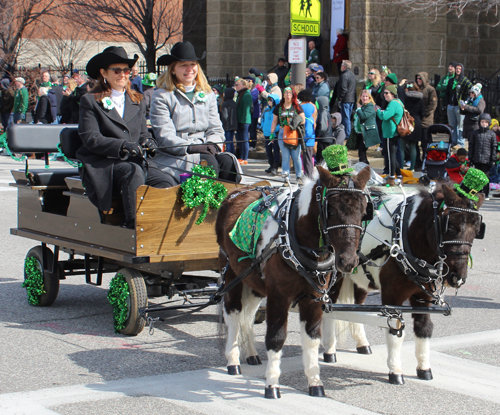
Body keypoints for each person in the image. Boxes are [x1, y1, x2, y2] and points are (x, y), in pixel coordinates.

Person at [78, 46, 175, 229]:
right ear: (104, 73)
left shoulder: (137, 100)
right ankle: (134, 227)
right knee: (133, 172)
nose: (122, 74)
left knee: (165, 180)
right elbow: (91, 139)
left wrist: (149, 142)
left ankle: (161, 228)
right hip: (105, 163)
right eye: (117, 70)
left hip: (134, 160)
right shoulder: (90, 101)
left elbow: (143, 134)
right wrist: (122, 145)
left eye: (126, 70)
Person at [150, 41, 240, 184]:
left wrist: (213, 144)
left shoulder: (208, 93)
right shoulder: (162, 95)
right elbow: (165, 136)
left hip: (205, 150)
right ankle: (204, 206)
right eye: (183, 65)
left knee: (228, 162)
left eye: (193, 64)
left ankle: (226, 205)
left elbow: (215, 128)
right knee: (207, 163)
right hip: (176, 156)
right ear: (173, 69)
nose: (189, 69)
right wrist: (192, 147)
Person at [270, 86, 305, 185]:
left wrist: (294, 121)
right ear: (283, 94)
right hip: (282, 132)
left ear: (293, 94)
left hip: (294, 133)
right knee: (285, 156)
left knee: (296, 156)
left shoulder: (297, 106)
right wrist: (272, 133)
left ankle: (299, 176)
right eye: (286, 93)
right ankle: (286, 178)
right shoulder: (278, 107)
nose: (288, 95)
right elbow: (274, 121)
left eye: (290, 93)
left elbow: (303, 120)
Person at [376, 84, 404, 185]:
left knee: (390, 155)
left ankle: (391, 178)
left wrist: (378, 111)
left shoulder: (393, 103)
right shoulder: (399, 102)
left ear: (392, 94)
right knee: (393, 155)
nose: (385, 95)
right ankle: (399, 176)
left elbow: (384, 116)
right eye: (384, 93)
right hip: (394, 132)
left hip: (390, 133)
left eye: (387, 93)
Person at [469, 113, 497, 199]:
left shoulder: (492, 134)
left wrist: (493, 159)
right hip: (477, 159)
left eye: (486, 122)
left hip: (487, 160)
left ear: (489, 123)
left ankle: (485, 193)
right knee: (476, 177)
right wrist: (470, 158)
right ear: (479, 122)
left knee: (485, 178)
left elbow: (494, 147)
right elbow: (471, 146)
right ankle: (475, 193)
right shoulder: (475, 133)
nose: (484, 124)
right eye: (482, 122)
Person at [446, 62, 473, 148]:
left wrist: (466, 102)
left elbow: (471, 90)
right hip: (451, 105)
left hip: (459, 106)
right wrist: (447, 103)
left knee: (460, 125)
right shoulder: (451, 80)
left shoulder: (464, 80)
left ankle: (460, 143)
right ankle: (453, 142)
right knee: (452, 126)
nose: (458, 70)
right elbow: (447, 92)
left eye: (460, 69)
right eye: (457, 68)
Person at [415, 71, 437, 169]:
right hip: (417, 120)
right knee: (414, 142)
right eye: (417, 78)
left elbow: (433, 105)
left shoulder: (430, 90)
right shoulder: (417, 89)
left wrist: (424, 114)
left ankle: (426, 161)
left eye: (420, 78)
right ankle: (417, 162)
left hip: (426, 121)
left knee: (425, 143)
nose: (418, 80)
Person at [400, 83, 423, 171]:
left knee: (402, 146)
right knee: (413, 145)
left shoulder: (404, 98)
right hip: (416, 122)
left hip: (405, 122)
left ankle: (401, 167)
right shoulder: (420, 99)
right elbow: (423, 113)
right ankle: (412, 167)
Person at [355, 89, 380, 165]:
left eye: (366, 96)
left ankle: (365, 167)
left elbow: (363, 116)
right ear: (360, 97)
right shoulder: (363, 106)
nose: (365, 98)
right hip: (361, 132)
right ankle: (365, 167)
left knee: (362, 151)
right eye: (363, 96)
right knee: (361, 151)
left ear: (369, 98)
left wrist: (358, 109)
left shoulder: (370, 106)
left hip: (368, 132)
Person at [297, 88, 317, 178]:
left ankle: (308, 176)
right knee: (307, 158)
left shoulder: (307, 120)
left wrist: (303, 139)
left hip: (306, 140)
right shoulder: (311, 116)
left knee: (307, 159)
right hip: (310, 140)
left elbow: (308, 132)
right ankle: (308, 175)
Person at [234, 78, 252, 164]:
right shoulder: (240, 94)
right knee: (240, 139)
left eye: (238, 85)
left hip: (244, 121)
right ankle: (241, 156)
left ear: (244, 86)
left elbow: (246, 110)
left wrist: (244, 121)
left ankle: (245, 158)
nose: (236, 86)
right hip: (240, 119)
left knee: (244, 139)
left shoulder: (247, 95)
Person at [261, 94, 281, 175]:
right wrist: (263, 127)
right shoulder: (266, 110)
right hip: (266, 134)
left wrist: (276, 129)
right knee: (268, 151)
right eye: (268, 100)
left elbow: (279, 122)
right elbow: (262, 119)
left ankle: (275, 167)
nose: (269, 102)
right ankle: (271, 165)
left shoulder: (277, 111)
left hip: (275, 135)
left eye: (271, 100)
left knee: (276, 151)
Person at [338, 60, 356, 140]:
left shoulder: (344, 75)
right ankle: (348, 133)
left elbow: (343, 89)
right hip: (351, 99)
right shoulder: (352, 75)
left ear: (344, 66)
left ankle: (347, 134)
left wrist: (340, 99)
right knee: (347, 117)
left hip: (346, 100)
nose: (340, 66)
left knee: (346, 118)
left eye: (342, 65)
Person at [315, 96, 333, 164]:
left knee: (322, 159)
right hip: (326, 138)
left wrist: (318, 134)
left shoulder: (323, 113)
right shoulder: (325, 112)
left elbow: (323, 127)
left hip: (324, 139)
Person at [220, 87, 238, 155]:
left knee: (228, 140)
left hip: (227, 125)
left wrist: (223, 123)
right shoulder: (234, 103)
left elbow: (225, 116)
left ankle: (228, 154)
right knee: (231, 140)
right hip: (233, 124)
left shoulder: (225, 103)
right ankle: (232, 154)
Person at [245, 77, 260, 150]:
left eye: (249, 81)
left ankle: (253, 144)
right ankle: (248, 143)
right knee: (248, 129)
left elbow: (252, 100)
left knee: (253, 130)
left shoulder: (255, 91)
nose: (247, 82)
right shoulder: (248, 91)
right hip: (248, 113)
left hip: (254, 114)